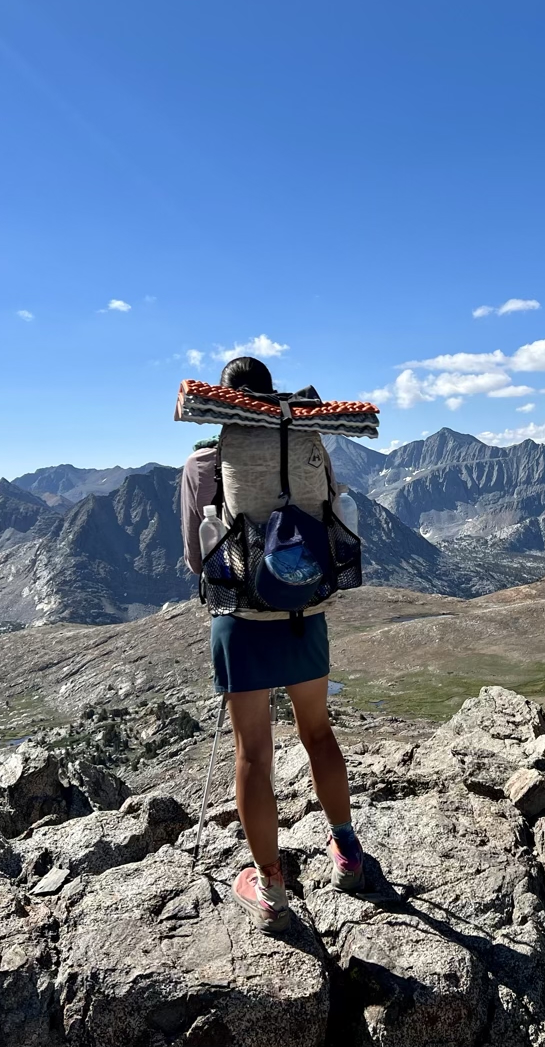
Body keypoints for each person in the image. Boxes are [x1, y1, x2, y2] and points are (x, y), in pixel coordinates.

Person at [179, 355, 364, 934]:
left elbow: (196, 553)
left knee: (254, 754)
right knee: (319, 733)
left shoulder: (206, 461)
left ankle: (270, 885)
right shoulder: (308, 443)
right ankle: (348, 853)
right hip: (305, 611)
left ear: (226, 400)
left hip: (244, 619)